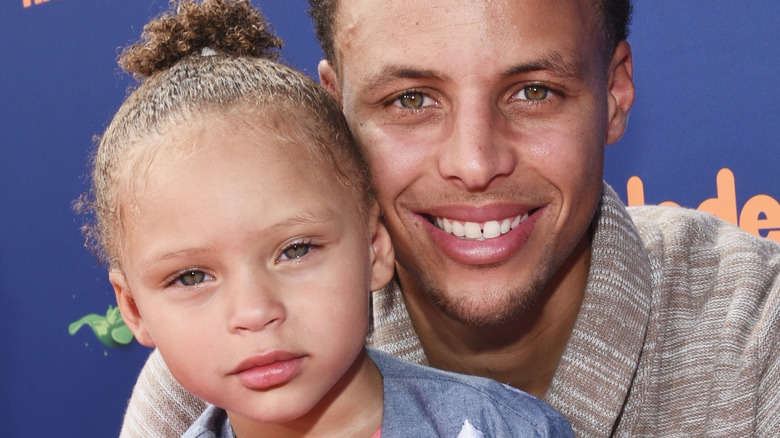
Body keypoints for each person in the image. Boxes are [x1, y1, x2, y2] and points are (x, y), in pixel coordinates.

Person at [120, 0, 780, 436]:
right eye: (411, 99)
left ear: (615, 93)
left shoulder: (756, 335)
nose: (474, 162)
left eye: (534, 91)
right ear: (336, 118)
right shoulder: (225, 371)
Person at [81, 0, 575, 436]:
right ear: (133, 307)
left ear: (374, 246)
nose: (255, 312)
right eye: (191, 277)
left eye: (295, 250)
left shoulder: (502, 428)